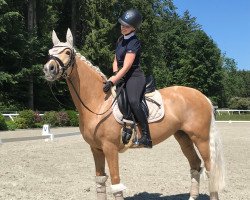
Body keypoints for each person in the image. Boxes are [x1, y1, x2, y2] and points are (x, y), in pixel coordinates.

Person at [103, 9, 152, 148]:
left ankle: (147, 137)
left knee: (134, 101)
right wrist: (115, 74)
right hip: (122, 75)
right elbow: (116, 60)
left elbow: (127, 66)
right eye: (122, 24)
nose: (122, 27)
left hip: (134, 76)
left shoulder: (134, 42)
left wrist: (113, 80)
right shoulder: (120, 40)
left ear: (134, 28)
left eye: (126, 26)